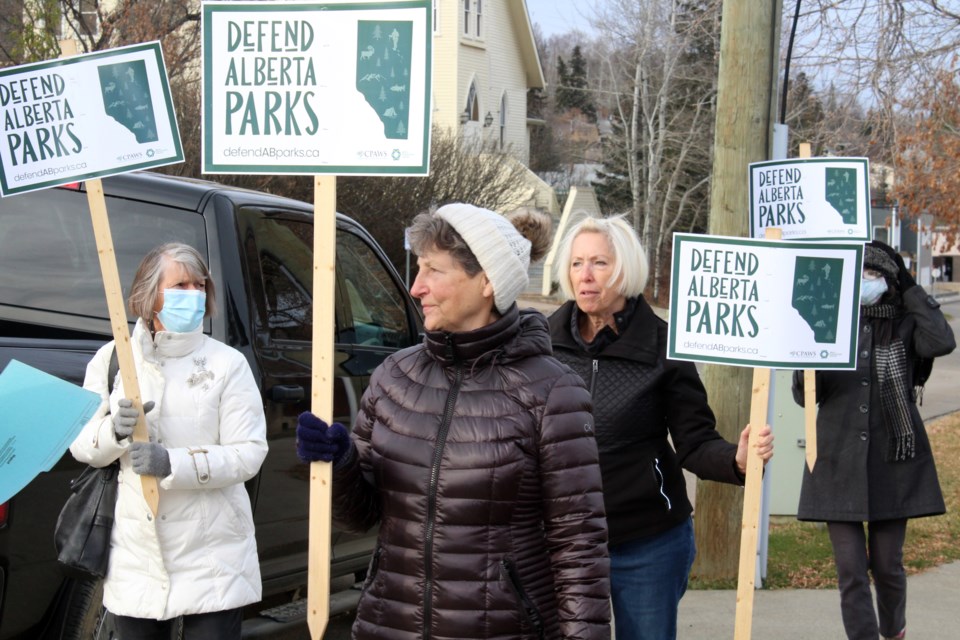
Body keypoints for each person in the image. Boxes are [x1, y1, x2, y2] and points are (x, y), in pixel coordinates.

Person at [296, 204, 611, 639]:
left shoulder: (553, 393)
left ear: (486, 281)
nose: (415, 287)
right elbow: (361, 517)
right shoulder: (394, 377)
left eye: (433, 271)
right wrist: (341, 461)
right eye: (419, 268)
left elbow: (579, 547)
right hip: (391, 624)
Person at [546, 213, 774, 640]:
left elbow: (695, 442)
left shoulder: (664, 348)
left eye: (599, 263)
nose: (586, 276)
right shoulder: (541, 343)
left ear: (626, 269)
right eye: (577, 264)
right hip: (563, 542)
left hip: (647, 542)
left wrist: (738, 460)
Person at [69, 243, 268, 639]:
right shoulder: (112, 359)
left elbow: (248, 453)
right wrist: (114, 432)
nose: (192, 294)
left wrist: (172, 463)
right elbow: (81, 443)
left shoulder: (226, 363)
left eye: (199, 285)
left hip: (214, 559)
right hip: (136, 560)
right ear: (149, 294)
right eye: (180, 284)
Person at [792, 240, 955, 640]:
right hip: (836, 458)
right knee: (850, 569)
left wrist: (913, 289)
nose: (868, 281)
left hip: (893, 457)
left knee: (887, 565)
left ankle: (893, 629)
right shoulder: (831, 321)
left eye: (876, 274)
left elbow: (941, 342)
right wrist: (809, 356)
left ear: (890, 280)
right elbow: (803, 395)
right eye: (861, 274)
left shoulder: (906, 320)